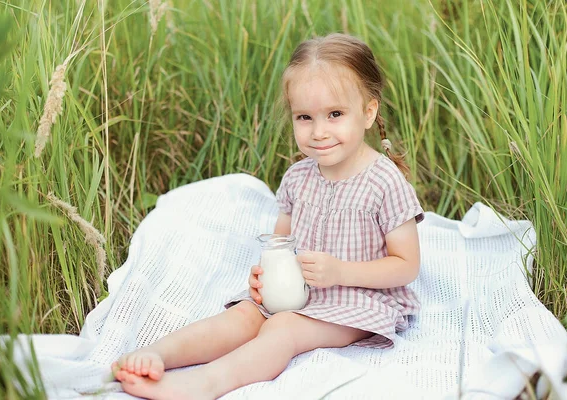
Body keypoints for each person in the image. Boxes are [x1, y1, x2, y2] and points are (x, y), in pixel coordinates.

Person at [112, 32, 425, 400]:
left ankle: (204, 384)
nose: (319, 132)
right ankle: (157, 354)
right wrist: (265, 277)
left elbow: (406, 265)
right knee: (243, 316)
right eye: (305, 117)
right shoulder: (297, 177)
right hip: (300, 293)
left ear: (368, 111)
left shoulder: (384, 181)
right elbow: (281, 244)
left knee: (284, 329)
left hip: (359, 299)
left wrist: (341, 272)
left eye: (335, 114)